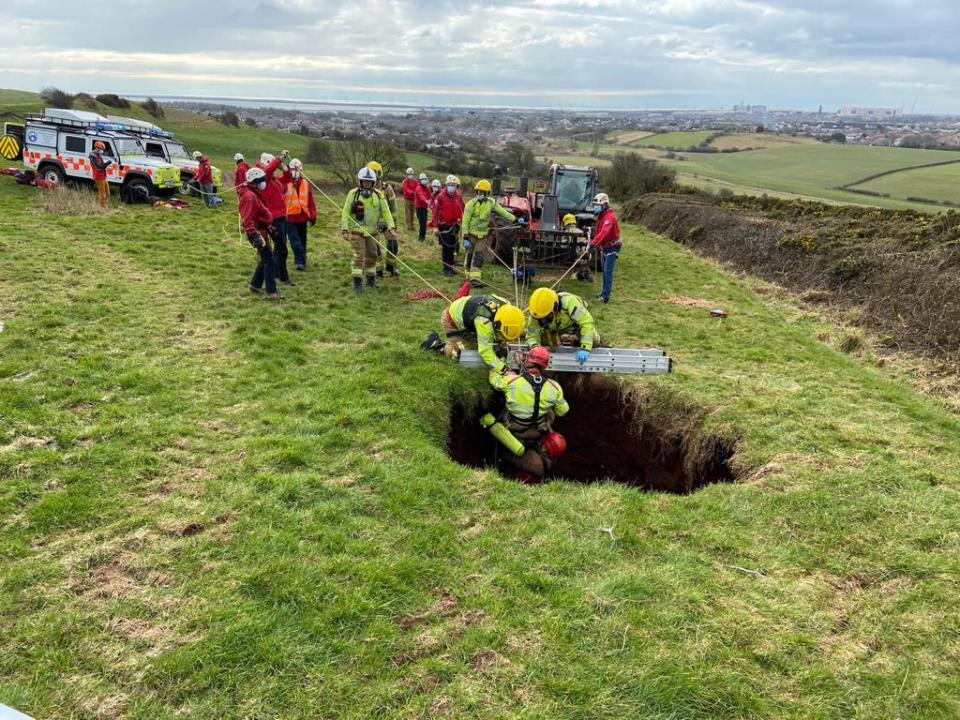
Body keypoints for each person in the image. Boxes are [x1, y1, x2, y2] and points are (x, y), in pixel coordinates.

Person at [485, 346, 569, 482]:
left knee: (504, 406)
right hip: (537, 429)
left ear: (528, 361)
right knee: (550, 410)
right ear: (546, 366)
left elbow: (493, 379)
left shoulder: (512, 381)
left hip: (513, 429)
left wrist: (498, 364)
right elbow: (563, 410)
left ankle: (499, 454)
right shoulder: (554, 387)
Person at [341, 166, 397, 294]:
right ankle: (357, 283)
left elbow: (386, 212)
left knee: (372, 255)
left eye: (369, 182)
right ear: (360, 181)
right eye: (364, 181)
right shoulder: (353, 194)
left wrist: (391, 227)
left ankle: (371, 280)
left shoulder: (379, 195)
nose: (367, 184)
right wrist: (344, 229)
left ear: (373, 183)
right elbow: (345, 212)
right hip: (356, 232)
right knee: (359, 256)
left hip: (373, 232)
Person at [440, 294, 525, 373]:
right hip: (452, 319)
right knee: (467, 353)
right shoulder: (485, 322)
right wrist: (502, 368)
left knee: (486, 341)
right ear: (497, 325)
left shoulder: (507, 307)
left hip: (469, 311)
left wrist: (501, 340)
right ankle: (445, 348)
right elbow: (485, 351)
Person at [461, 179, 517, 287]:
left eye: (483, 192)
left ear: (487, 193)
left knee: (478, 256)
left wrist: (514, 219)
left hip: (482, 236)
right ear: (476, 192)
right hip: (470, 235)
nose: (481, 194)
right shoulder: (470, 205)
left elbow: (502, 212)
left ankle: (475, 280)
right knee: (469, 255)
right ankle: (467, 275)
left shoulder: (491, 203)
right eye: (479, 192)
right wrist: (465, 237)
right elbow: (465, 222)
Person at [239, 167, 281, 300]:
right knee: (269, 259)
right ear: (255, 181)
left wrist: (269, 227)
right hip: (257, 233)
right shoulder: (249, 196)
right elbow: (248, 219)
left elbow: (259, 215)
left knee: (265, 258)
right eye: (262, 180)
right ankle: (271, 292)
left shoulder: (253, 193)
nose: (264, 183)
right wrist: (254, 235)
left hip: (262, 230)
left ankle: (255, 285)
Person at [256, 151, 298, 285]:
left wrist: (284, 168)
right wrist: (279, 158)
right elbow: (268, 171)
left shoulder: (274, 180)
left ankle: (276, 273)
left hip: (281, 218)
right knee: (282, 248)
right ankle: (283, 276)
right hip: (273, 219)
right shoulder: (263, 179)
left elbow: (287, 179)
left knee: (279, 248)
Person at [526, 287, 599, 365]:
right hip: (553, 329)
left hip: (574, 327)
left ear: (555, 308)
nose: (543, 321)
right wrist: (535, 348)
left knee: (593, 339)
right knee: (548, 346)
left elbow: (586, 322)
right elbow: (532, 336)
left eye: (546, 317)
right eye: (540, 319)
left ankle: (579, 341)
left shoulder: (570, 303)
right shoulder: (536, 313)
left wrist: (585, 348)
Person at [367, 161, 399, 278]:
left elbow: (394, 207)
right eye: (372, 172)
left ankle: (391, 267)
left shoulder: (387, 188)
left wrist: (393, 224)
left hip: (387, 223)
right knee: (374, 249)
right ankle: (378, 270)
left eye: (377, 172)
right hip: (372, 224)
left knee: (393, 245)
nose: (375, 175)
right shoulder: (365, 188)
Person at [284, 159, 316, 271]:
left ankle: (302, 261)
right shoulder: (285, 182)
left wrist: (313, 215)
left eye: (297, 169)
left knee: (302, 240)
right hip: (290, 217)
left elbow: (311, 201)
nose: (295, 171)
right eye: (292, 169)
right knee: (295, 241)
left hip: (303, 217)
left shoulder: (306, 184)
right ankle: (299, 261)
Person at [590, 192, 621, 304]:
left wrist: (593, 244)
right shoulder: (601, 217)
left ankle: (605, 296)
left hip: (613, 247)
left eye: (597, 206)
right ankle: (603, 293)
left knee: (607, 271)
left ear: (604, 205)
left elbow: (604, 232)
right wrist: (593, 243)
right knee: (605, 271)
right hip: (606, 247)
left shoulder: (609, 218)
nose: (595, 208)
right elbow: (598, 233)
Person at [432, 174, 464, 276]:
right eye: (449, 184)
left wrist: (461, 220)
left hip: (455, 226)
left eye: (453, 185)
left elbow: (462, 210)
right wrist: (435, 227)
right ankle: (446, 269)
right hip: (444, 226)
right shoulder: (440, 197)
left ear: (456, 186)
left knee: (452, 248)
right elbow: (435, 212)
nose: (451, 186)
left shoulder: (458, 197)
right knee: (446, 248)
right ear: (446, 185)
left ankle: (451, 267)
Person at [89, 141, 113, 208]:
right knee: (102, 193)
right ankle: (102, 207)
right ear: (97, 148)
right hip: (98, 176)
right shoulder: (93, 156)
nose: (102, 151)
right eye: (101, 149)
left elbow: (101, 165)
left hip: (103, 176)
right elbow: (98, 168)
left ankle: (106, 205)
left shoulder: (98, 155)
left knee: (107, 193)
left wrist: (106, 164)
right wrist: (107, 164)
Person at [414, 172, 431, 242]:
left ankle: (422, 237)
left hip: (425, 208)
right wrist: (426, 201)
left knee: (424, 223)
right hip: (419, 208)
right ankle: (421, 238)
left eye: (424, 179)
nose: (424, 180)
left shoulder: (427, 188)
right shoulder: (418, 188)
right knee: (423, 223)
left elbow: (430, 196)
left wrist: (431, 201)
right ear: (420, 180)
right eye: (422, 179)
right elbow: (421, 196)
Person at [401, 167, 418, 231]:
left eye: (411, 174)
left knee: (412, 212)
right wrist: (412, 192)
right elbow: (405, 188)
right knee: (407, 212)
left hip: (413, 199)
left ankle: (412, 225)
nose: (410, 175)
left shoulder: (415, 181)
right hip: (407, 199)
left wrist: (416, 193)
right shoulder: (405, 181)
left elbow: (417, 188)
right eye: (409, 174)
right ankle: (408, 226)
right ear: (407, 174)